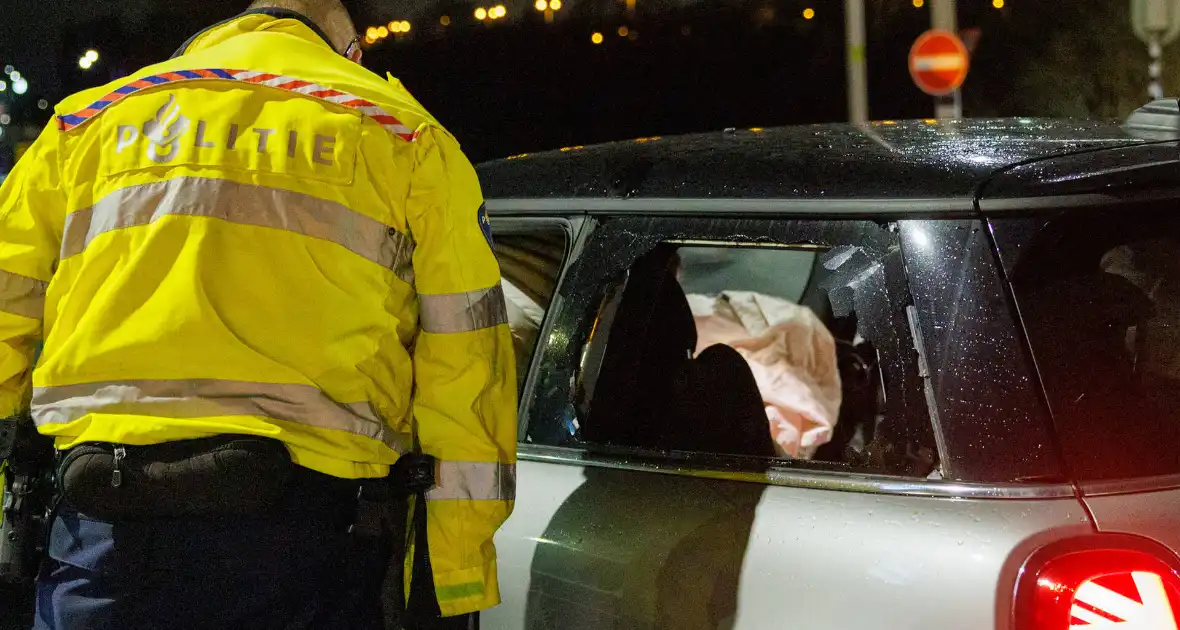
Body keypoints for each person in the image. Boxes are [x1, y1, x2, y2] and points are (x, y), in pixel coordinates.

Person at [0, 0, 517, 627]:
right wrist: (455, 573)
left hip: (104, 523)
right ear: (351, 49)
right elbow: (467, 363)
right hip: (307, 537)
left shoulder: (85, 124)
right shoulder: (406, 137)